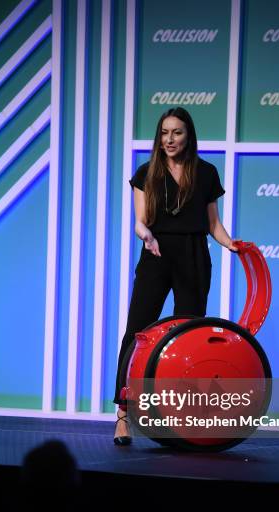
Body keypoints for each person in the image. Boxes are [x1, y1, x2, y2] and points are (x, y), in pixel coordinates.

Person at [113, 107, 239, 445]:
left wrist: (233, 244)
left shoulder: (207, 173)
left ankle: (184, 417)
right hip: (156, 253)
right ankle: (123, 415)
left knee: (190, 341)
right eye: (165, 132)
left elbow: (213, 225)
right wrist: (146, 235)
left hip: (194, 256)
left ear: (189, 136)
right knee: (136, 332)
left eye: (177, 132)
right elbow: (141, 221)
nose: (170, 139)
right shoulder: (147, 173)